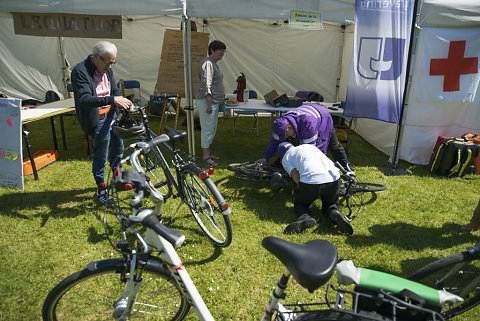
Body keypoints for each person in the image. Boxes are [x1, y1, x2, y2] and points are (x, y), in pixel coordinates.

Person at [71, 41, 133, 205]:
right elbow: (85, 99)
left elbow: (114, 90)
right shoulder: (80, 71)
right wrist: (113, 99)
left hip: (112, 116)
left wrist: (123, 101)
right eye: (108, 62)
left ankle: (117, 178)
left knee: (118, 149)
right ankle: (101, 189)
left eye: (113, 62)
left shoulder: (107, 69)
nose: (110, 66)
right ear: (95, 57)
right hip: (97, 119)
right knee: (100, 155)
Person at [277, 142, 353, 235]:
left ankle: (304, 218)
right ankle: (334, 211)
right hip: (334, 179)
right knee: (330, 203)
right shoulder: (309, 147)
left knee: (301, 204)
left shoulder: (286, 157)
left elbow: (296, 177)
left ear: (282, 154)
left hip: (312, 182)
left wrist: (301, 187)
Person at [256, 103, 351, 170]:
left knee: (331, 147)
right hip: (308, 115)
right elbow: (274, 142)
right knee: (296, 146)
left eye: (284, 134)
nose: (284, 137)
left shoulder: (308, 125)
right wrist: (265, 158)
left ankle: (347, 169)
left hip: (323, 118)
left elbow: (311, 151)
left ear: (289, 127)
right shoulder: (281, 125)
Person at [196, 40, 226, 166]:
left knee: (211, 128)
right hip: (208, 102)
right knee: (207, 129)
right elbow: (205, 85)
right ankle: (205, 156)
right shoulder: (208, 64)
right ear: (212, 50)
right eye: (220, 50)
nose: (222, 53)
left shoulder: (213, 64)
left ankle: (208, 152)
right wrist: (209, 104)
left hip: (213, 102)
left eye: (224, 51)